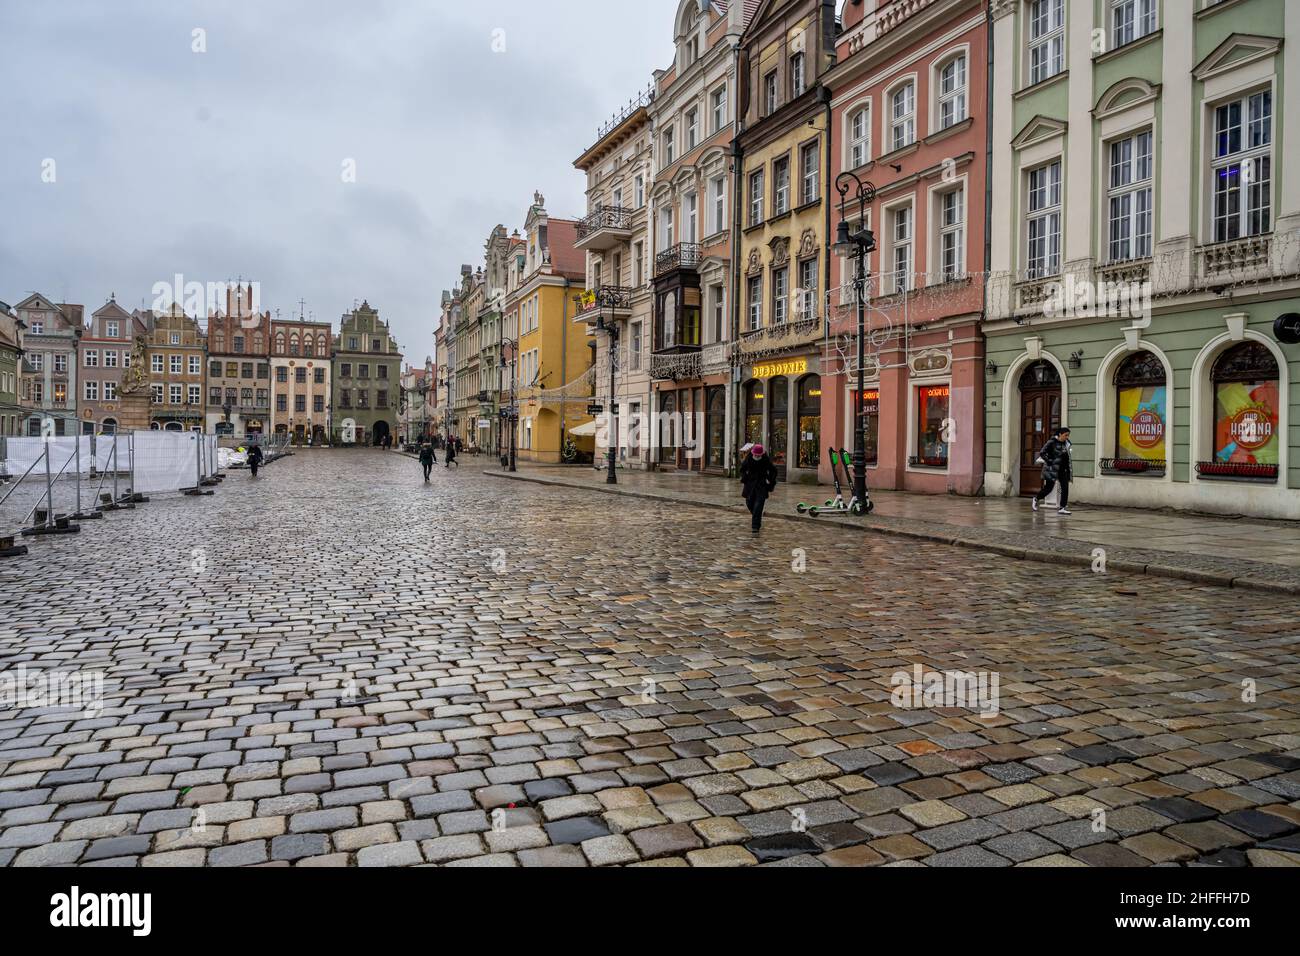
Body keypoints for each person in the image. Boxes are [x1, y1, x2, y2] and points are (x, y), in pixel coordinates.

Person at [1032, 426, 1073, 516]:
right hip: (1052, 469)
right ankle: (1036, 498)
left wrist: (1068, 469)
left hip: (1063, 470)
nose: (1067, 437)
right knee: (1048, 489)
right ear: (1060, 434)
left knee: (1065, 488)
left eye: (1068, 435)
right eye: (1065, 435)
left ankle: (1062, 507)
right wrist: (1050, 461)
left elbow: (1068, 456)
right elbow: (1042, 453)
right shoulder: (1052, 442)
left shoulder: (1067, 443)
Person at [739, 442, 778, 533]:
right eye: (755, 455)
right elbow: (742, 470)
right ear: (753, 453)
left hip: (761, 485)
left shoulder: (765, 460)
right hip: (750, 485)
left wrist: (770, 481)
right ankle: (757, 517)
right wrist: (745, 477)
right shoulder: (749, 458)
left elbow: (773, 471)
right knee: (749, 503)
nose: (757, 456)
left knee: (758, 505)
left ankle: (755, 527)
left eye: (758, 455)